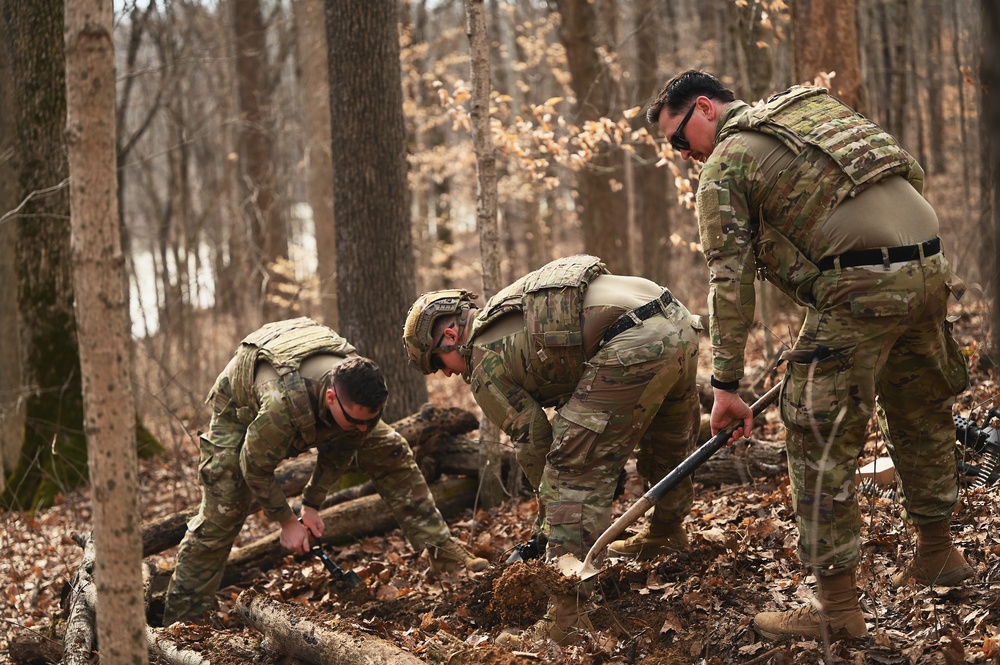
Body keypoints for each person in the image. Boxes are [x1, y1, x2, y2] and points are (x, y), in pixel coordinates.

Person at [646, 70, 973, 641]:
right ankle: (939, 555)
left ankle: (838, 614)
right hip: (929, 269)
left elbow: (729, 281)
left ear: (704, 107)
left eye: (679, 140)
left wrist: (725, 385)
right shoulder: (810, 112)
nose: (682, 155)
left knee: (816, 435)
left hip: (862, 286)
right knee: (920, 410)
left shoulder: (727, 163)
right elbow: (908, 173)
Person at [402, 255, 702, 641]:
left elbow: (533, 439)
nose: (446, 373)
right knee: (668, 443)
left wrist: (552, 514)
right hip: (678, 320)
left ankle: (568, 617)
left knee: (568, 472)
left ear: (448, 336)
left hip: (633, 343)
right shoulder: (507, 308)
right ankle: (667, 531)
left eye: (437, 363)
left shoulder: (482, 362)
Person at [162, 317, 487, 626]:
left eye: (370, 420)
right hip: (240, 406)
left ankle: (443, 551)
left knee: (392, 450)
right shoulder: (281, 406)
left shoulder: (357, 394)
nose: (364, 429)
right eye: (357, 421)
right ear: (331, 398)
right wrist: (287, 522)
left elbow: (343, 444)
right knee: (224, 506)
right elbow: (255, 466)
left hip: (309, 389)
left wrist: (312, 504)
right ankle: (183, 618)